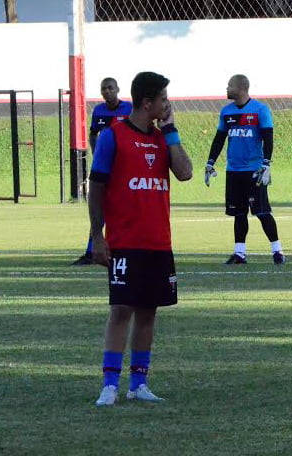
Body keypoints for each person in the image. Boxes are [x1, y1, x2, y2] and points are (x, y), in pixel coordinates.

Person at [89, 71, 193, 406]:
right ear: (147, 102)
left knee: (148, 312)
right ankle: (109, 384)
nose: (168, 104)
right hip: (125, 241)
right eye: (163, 99)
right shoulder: (113, 137)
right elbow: (97, 188)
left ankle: (138, 383)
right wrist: (97, 236)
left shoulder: (165, 139)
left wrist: (172, 131)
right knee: (121, 309)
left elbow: (185, 172)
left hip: (158, 242)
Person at [205, 74, 285, 265]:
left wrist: (266, 164)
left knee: (262, 212)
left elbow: (268, 138)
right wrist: (210, 162)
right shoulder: (226, 112)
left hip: (254, 170)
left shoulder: (260, 110)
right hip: (233, 170)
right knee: (238, 213)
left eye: (229, 86)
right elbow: (219, 139)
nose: (226, 89)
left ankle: (278, 251)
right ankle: (239, 253)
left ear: (241, 88)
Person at [71, 77, 133, 266]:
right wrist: (97, 151)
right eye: (103, 89)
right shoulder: (98, 111)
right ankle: (91, 251)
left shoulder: (128, 109)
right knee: (99, 207)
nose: (107, 91)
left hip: (124, 168)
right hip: (106, 169)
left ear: (117, 89)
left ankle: (127, 249)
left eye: (110, 88)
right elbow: (92, 133)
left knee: (126, 209)